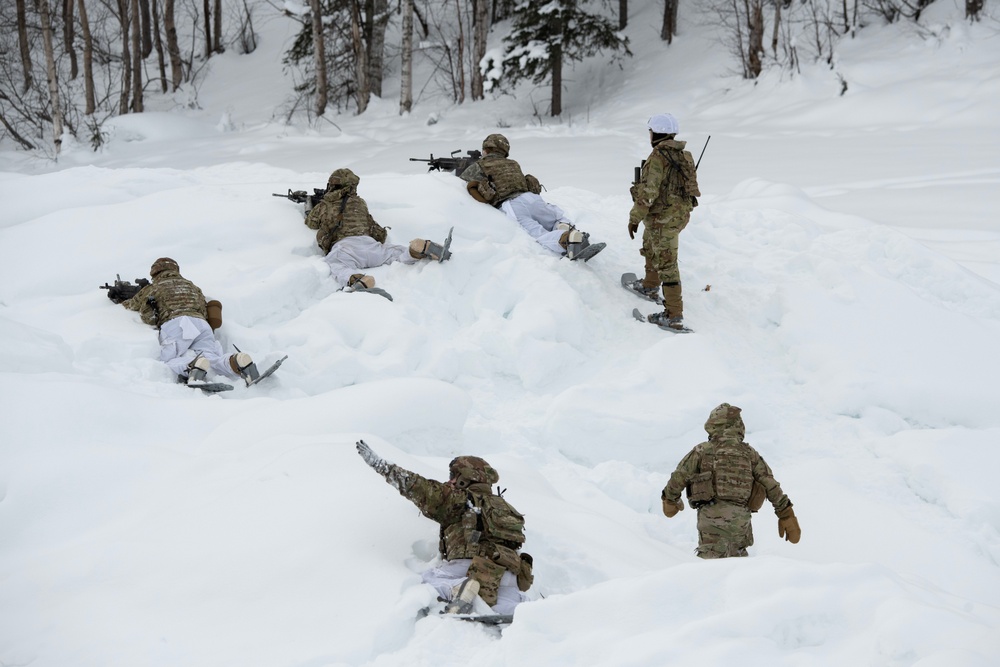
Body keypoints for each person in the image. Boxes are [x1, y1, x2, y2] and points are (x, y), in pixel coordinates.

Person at [355, 440, 534, 615]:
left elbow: (420, 488)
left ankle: (456, 589)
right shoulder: (506, 507)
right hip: (507, 573)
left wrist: (383, 466)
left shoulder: (462, 499)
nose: (450, 481)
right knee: (502, 601)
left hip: (469, 567)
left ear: (466, 477)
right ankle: (523, 608)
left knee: (426, 581)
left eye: (453, 475)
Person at [660, 403, 801, 559]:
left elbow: (679, 477)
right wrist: (786, 514)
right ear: (738, 426)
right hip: (741, 525)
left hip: (712, 521)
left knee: (712, 573)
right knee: (737, 572)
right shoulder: (750, 454)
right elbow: (770, 484)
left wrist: (670, 500)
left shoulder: (702, 450)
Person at [459, 133, 603, 261]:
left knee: (537, 233)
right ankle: (566, 228)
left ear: (486, 150)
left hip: (512, 205)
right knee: (555, 217)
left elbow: (458, 181)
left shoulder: (480, 165)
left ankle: (568, 241)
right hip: (532, 198)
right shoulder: (513, 164)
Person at [305, 167, 451, 292]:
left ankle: (358, 280)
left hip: (345, 248)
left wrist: (312, 206)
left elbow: (311, 222)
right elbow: (375, 230)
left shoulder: (325, 205)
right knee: (395, 254)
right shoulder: (359, 203)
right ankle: (416, 249)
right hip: (368, 243)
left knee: (337, 265)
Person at [118, 257, 260, 386]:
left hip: (176, 324)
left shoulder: (154, 287)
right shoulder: (192, 286)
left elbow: (131, 305)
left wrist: (120, 296)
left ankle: (192, 366)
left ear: (155, 273)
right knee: (211, 357)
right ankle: (236, 362)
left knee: (169, 360)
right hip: (202, 324)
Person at [627, 113, 701, 331]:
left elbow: (649, 193)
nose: (649, 135)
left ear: (656, 133)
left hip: (664, 218)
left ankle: (673, 314)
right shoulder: (684, 155)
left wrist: (634, 218)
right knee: (650, 244)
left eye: (650, 131)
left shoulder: (658, 157)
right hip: (676, 215)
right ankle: (650, 285)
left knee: (668, 263)